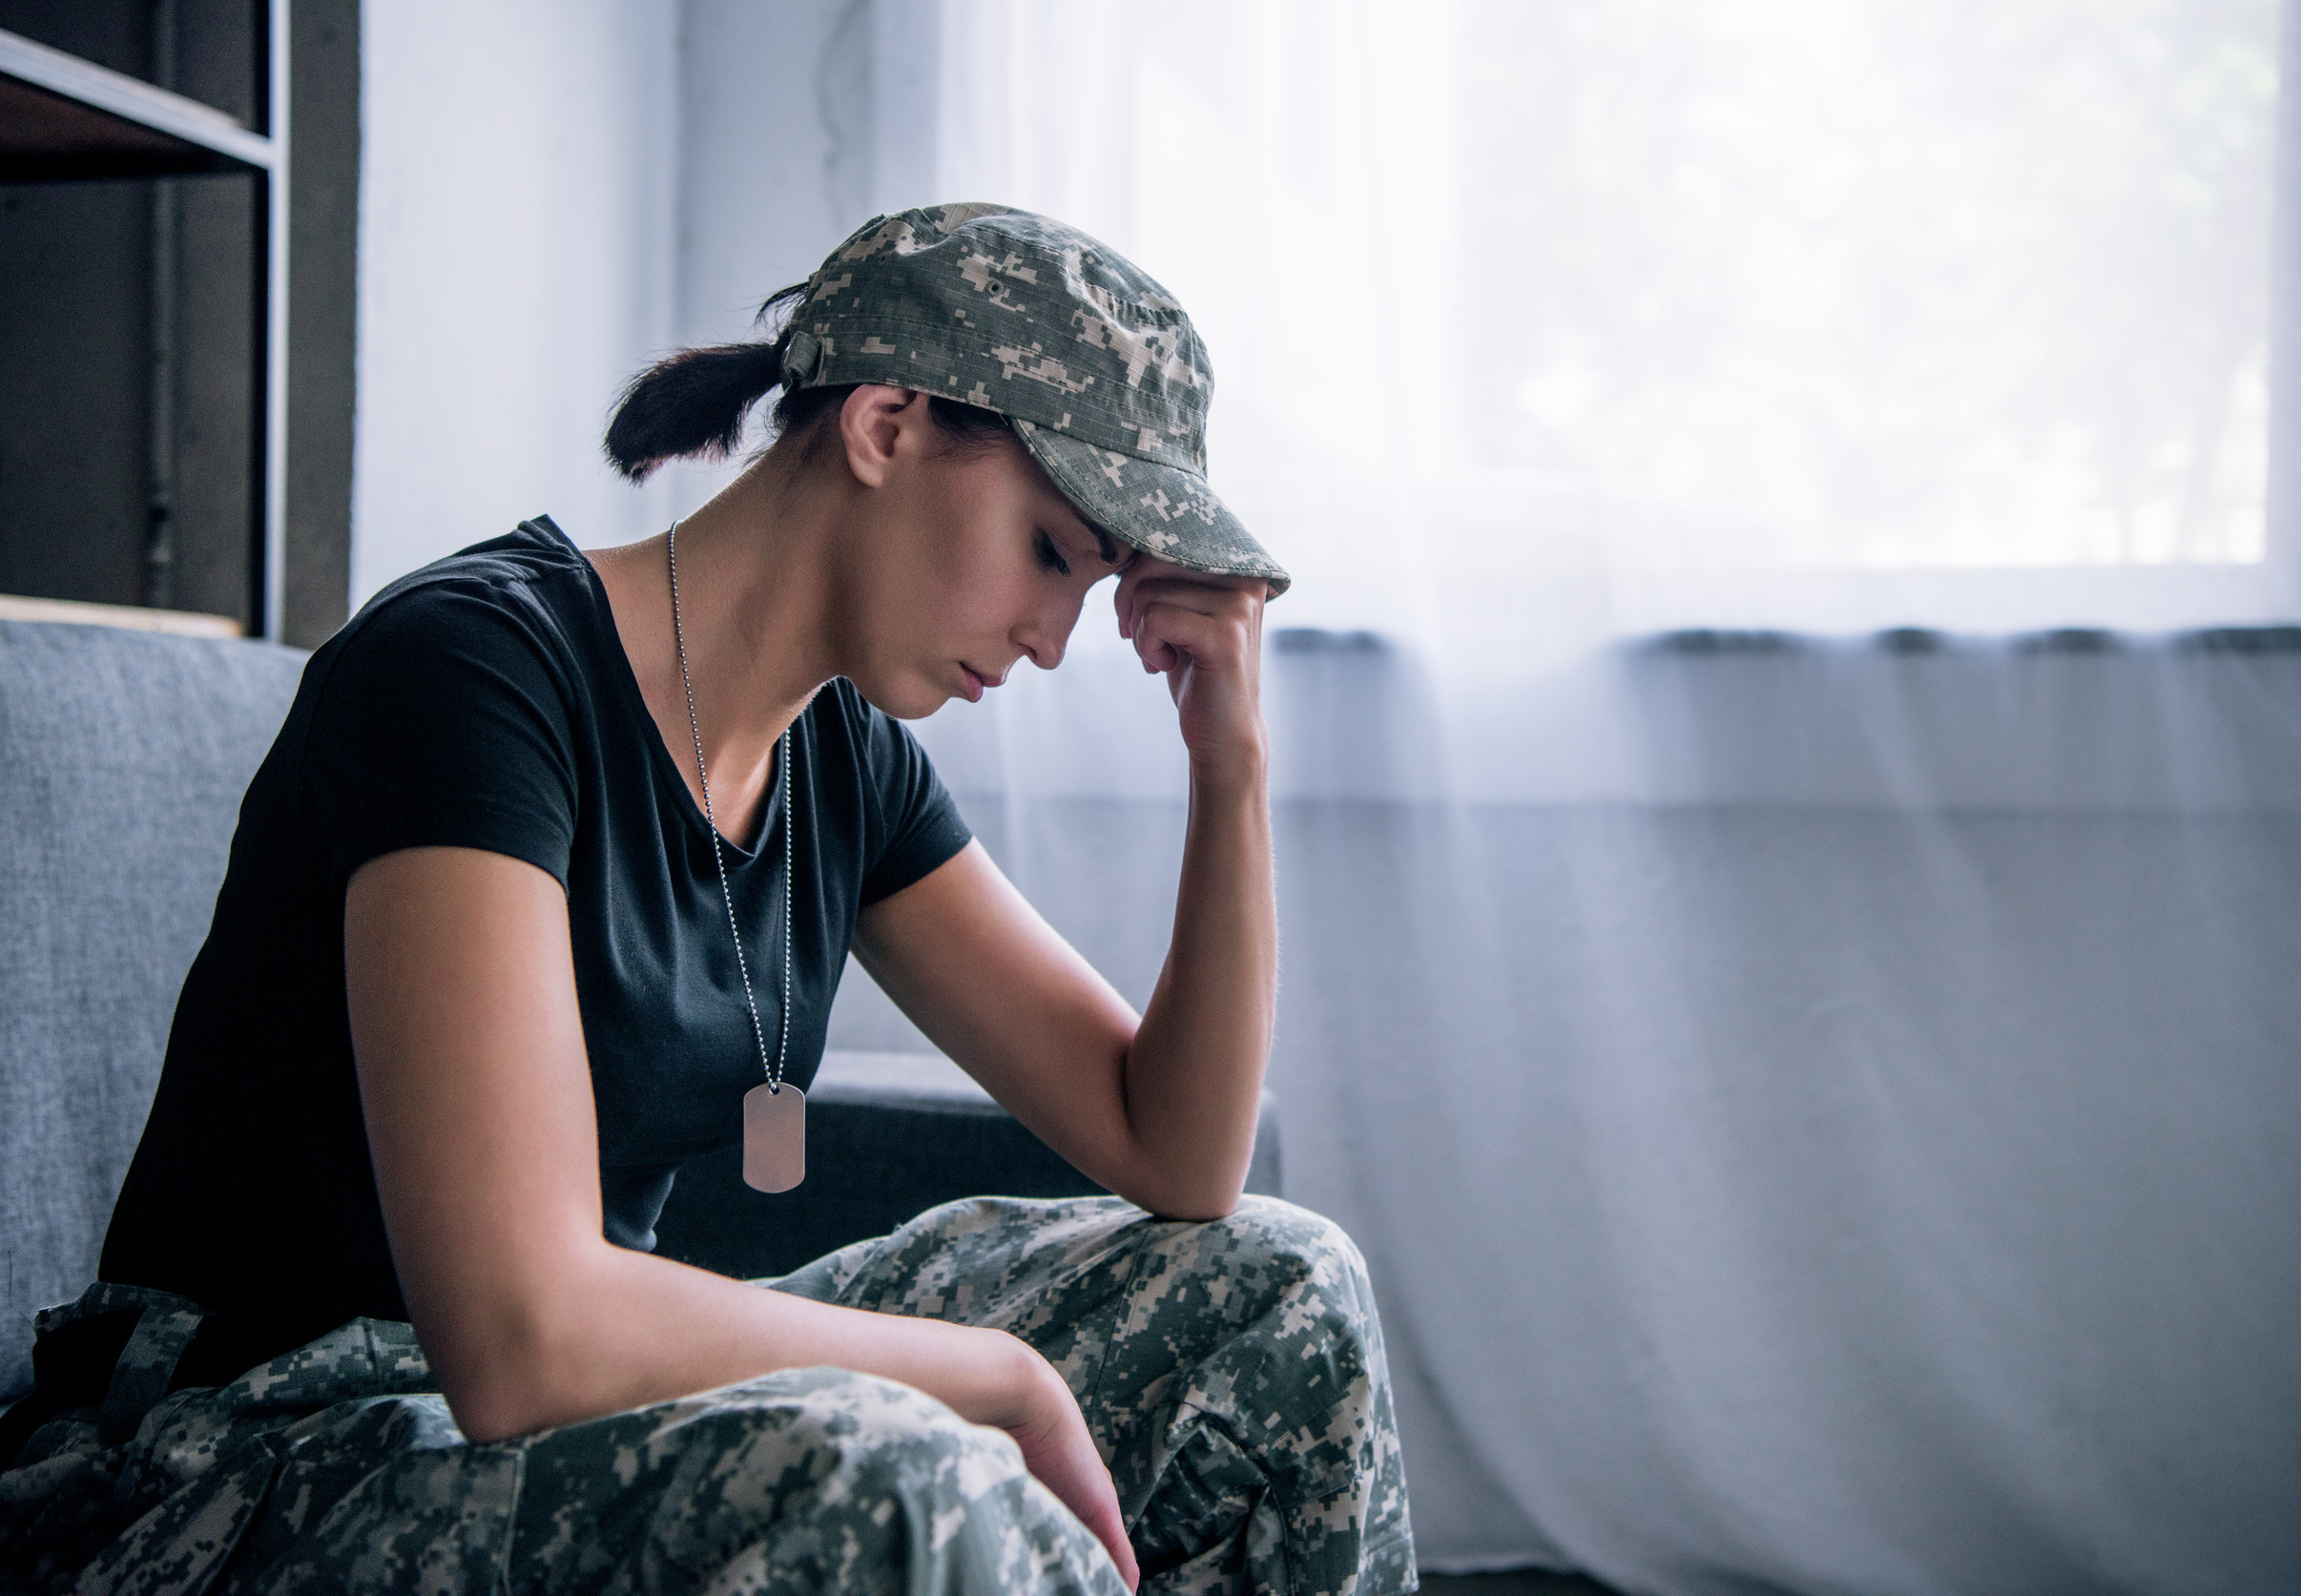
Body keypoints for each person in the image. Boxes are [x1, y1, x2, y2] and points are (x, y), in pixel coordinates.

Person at [0, 205, 1414, 1595]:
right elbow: (521, 1333)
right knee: (905, 1468)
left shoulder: (843, 762)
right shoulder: (473, 673)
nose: (1054, 641)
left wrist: (1231, 760)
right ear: (884, 427)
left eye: (1096, 585)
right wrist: (999, 1376)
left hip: (552, 1418)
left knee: (1281, 1283)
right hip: (243, 1453)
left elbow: (1180, 1157)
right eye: (1052, 550)